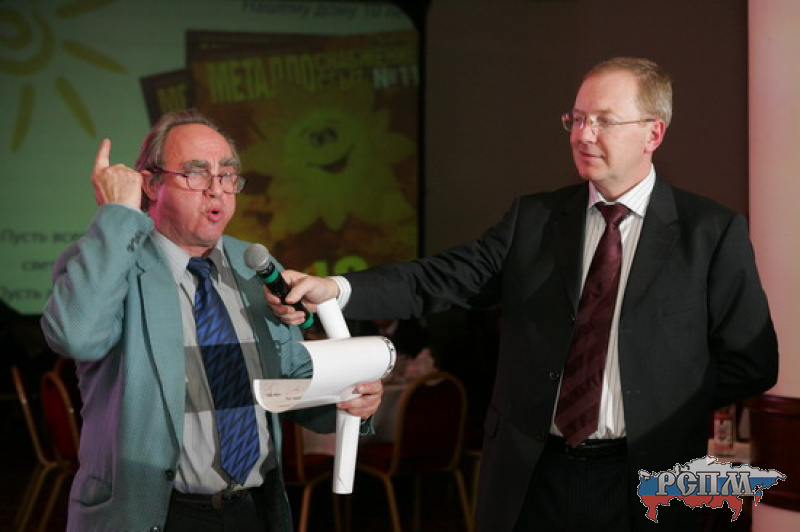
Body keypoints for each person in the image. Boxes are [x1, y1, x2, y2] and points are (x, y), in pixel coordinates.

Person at [267, 57, 779, 531]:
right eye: (576, 119)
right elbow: (438, 278)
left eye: (603, 121)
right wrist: (337, 288)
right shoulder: (534, 221)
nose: (583, 134)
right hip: (533, 476)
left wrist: (660, 404)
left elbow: (751, 363)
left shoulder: (709, 233)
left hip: (646, 479)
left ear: (654, 133)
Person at [40, 108, 383, 532]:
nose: (216, 190)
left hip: (251, 510)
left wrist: (349, 401)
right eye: (196, 174)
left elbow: (290, 379)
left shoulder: (252, 265)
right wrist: (117, 215)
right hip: (156, 513)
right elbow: (75, 336)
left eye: (227, 175)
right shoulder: (107, 261)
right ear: (152, 184)